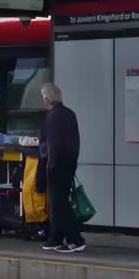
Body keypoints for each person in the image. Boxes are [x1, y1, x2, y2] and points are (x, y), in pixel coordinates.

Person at [39, 83, 84, 253]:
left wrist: (50, 165)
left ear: (46, 99)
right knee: (58, 203)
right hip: (69, 163)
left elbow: (53, 144)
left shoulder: (53, 116)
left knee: (59, 204)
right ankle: (56, 238)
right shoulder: (68, 114)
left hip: (57, 165)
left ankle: (76, 239)